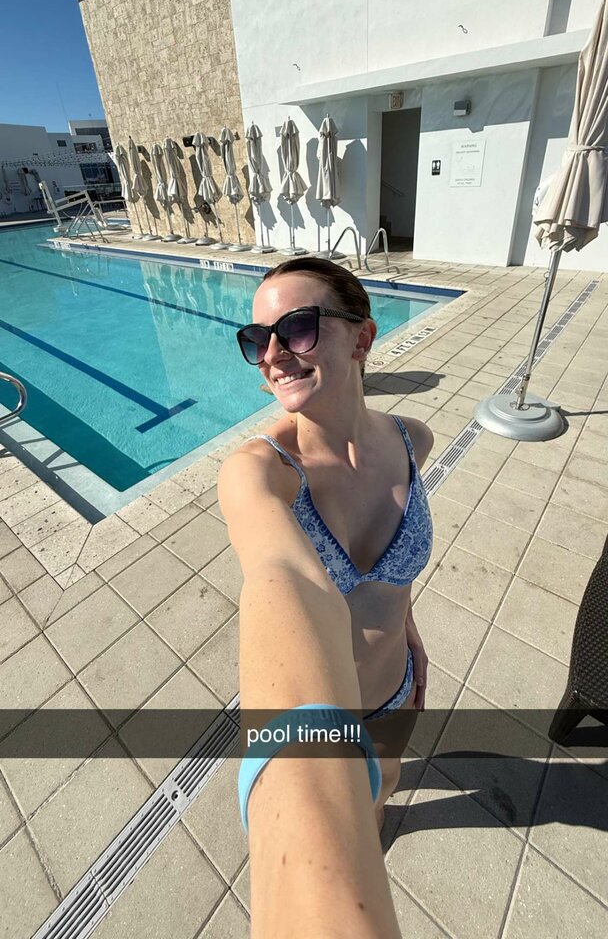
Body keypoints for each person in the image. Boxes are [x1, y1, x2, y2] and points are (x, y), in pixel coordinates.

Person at [218, 257, 434, 933]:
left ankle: (374, 827)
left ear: (362, 338)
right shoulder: (260, 472)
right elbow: (279, 579)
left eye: (298, 328)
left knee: (383, 792)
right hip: (327, 721)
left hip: (396, 690)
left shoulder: (413, 441)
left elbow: (395, 580)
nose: (273, 355)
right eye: (257, 339)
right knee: (350, 811)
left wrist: (409, 629)